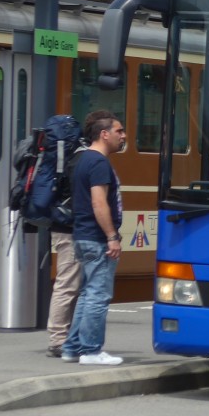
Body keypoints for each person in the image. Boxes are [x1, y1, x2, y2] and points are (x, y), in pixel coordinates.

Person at [61, 110, 126, 367]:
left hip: (82, 235)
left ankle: (72, 348)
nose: (123, 136)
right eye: (119, 131)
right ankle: (91, 350)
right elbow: (100, 204)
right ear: (104, 134)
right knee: (98, 296)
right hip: (97, 238)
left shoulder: (83, 160)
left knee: (88, 294)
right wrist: (112, 236)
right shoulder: (99, 163)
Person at [46, 216, 82, 358]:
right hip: (70, 230)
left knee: (70, 285)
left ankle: (64, 338)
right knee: (67, 286)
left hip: (67, 228)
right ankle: (58, 340)